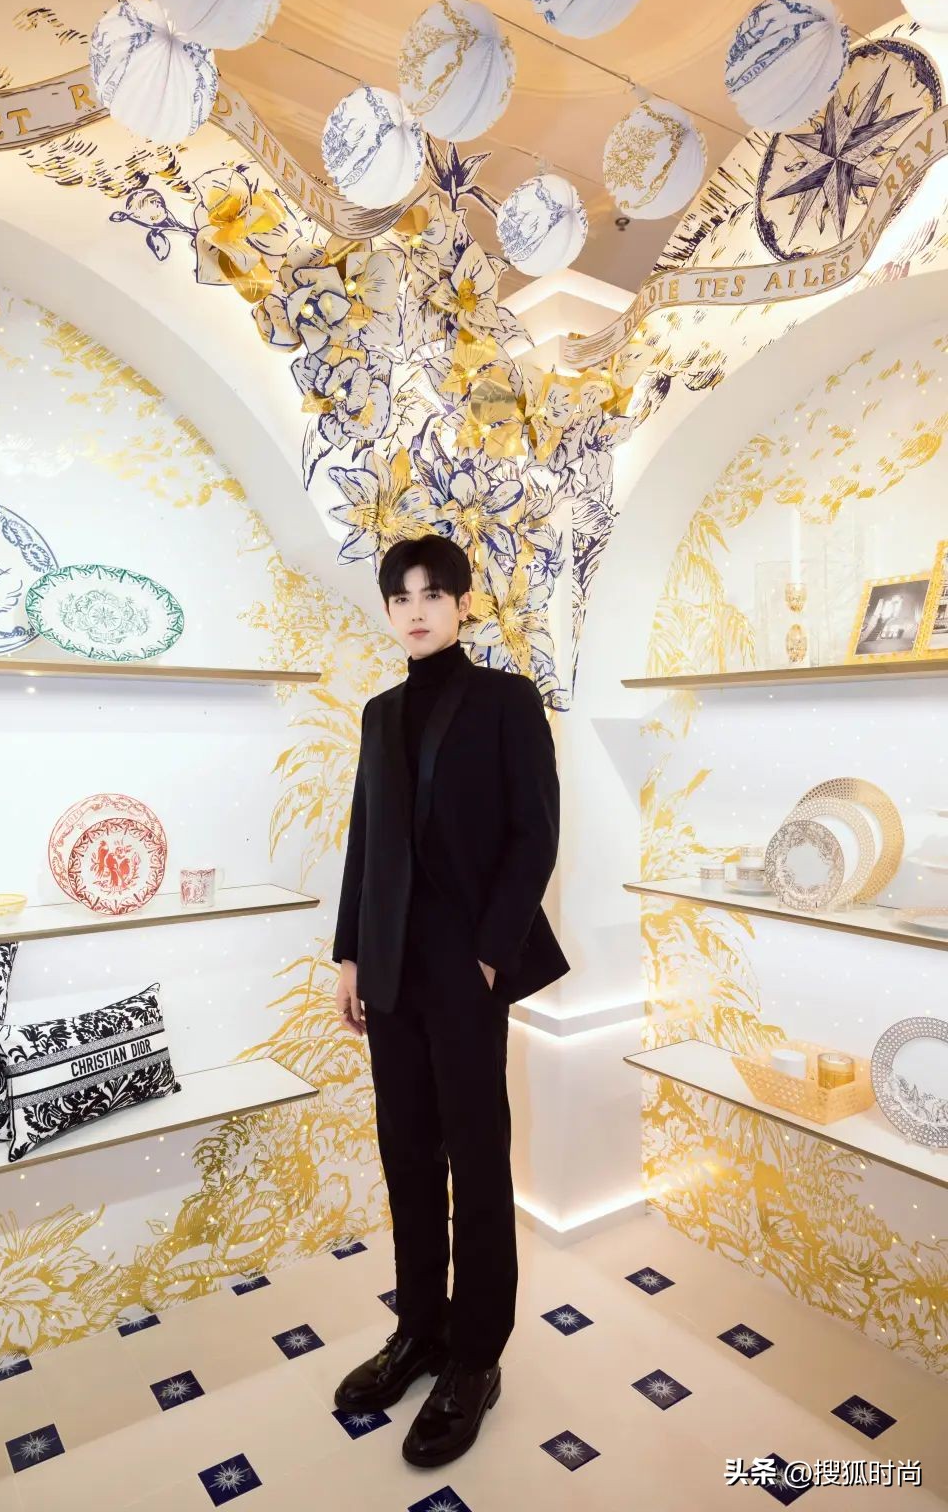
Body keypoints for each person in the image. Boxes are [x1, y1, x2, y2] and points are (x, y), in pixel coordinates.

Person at [329, 533, 570, 1469]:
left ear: (463, 604)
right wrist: (350, 956)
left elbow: (534, 833)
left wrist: (487, 955)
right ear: (389, 611)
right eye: (401, 598)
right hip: (388, 969)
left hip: (465, 970)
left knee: (476, 1157)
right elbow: (365, 840)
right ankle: (419, 1331)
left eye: (433, 594)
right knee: (406, 1154)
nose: (416, 611)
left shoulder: (507, 700)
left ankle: (475, 1356)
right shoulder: (379, 712)